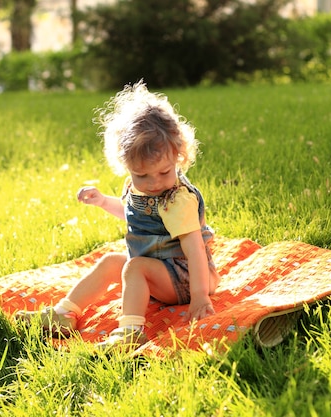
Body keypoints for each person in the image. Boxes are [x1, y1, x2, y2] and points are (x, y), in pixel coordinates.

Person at [16, 80, 220, 350]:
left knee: (133, 267)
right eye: (141, 175)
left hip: (187, 277)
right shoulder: (138, 189)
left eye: (164, 172)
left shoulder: (177, 199)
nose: (153, 183)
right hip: (160, 270)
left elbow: (194, 249)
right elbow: (133, 216)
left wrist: (200, 296)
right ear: (126, 165)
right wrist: (103, 202)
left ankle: (131, 332)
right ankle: (64, 314)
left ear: (179, 156)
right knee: (113, 262)